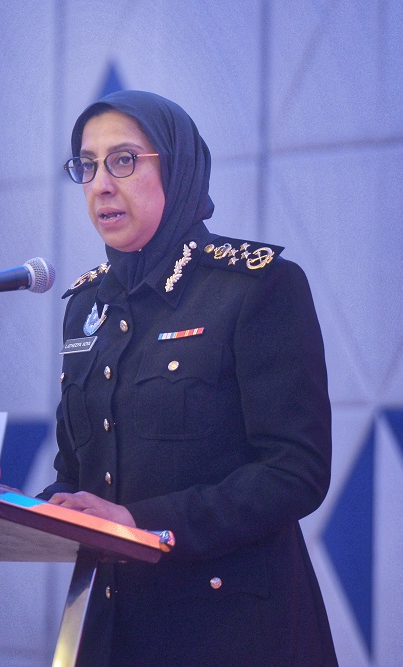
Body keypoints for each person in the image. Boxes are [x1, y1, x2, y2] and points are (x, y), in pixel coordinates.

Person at [39, 90, 337, 665]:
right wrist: (32, 509)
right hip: (110, 631)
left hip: (231, 630)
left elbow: (296, 471)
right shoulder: (86, 305)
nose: (101, 183)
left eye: (124, 160)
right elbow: (77, 471)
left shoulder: (256, 287)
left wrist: (143, 524)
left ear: (176, 168)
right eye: (87, 164)